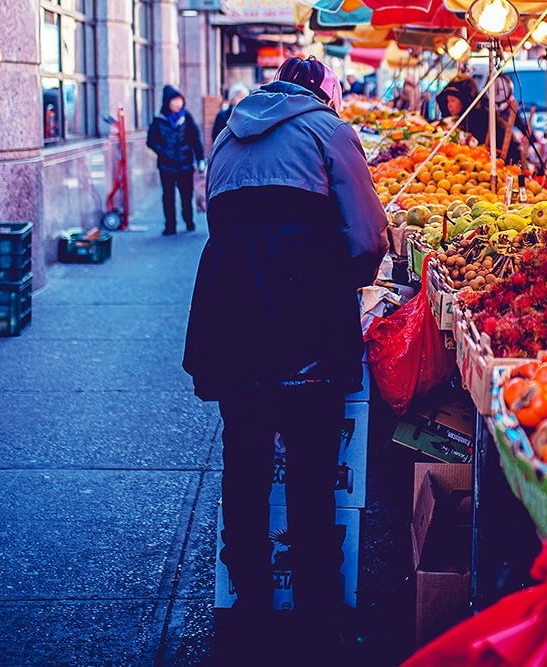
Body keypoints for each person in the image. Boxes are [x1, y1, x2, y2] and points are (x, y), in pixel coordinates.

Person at [183, 56, 386, 658]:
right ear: (322, 92)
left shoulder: (226, 133)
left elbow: (215, 218)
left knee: (244, 466)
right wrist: (340, 282)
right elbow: (367, 236)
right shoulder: (328, 129)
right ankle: (317, 620)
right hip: (305, 321)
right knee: (311, 471)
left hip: (230, 321)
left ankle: (247, 608)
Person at [145, 85, 205, 235]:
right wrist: (162, 152)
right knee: (168, 197)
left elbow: (195, 139)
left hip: (185, 164)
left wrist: (200, 159)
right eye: (174, 101)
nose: (178, 104)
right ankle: (170, 225)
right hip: (166, 166)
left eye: (180, 100)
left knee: (187, 195)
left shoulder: (187, 117)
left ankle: (189, 220)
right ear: (167, 102)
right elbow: (151, 140)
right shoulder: (159, 120)